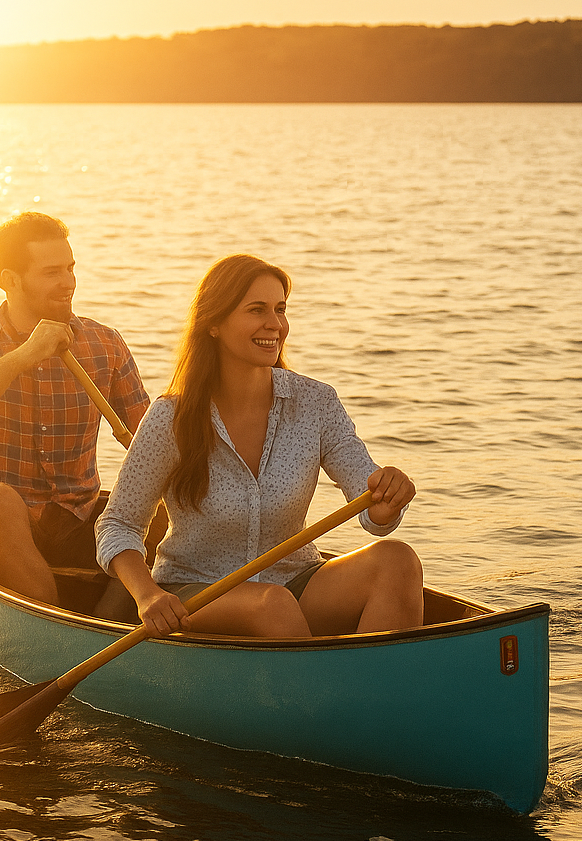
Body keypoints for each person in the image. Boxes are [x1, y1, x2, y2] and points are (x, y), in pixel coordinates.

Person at [95, 254, 422, 638]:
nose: (275, 324)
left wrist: (385, 500)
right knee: (272, 606)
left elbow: (369, 504)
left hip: (296, 582)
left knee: (397, 559)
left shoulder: (316, 403)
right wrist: (147, 596)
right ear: (213, 323)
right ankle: (323, 694)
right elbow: (117, 524)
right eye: (256, 310)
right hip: (196, 594)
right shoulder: (171, 417)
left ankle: (376, 692)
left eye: (280, 309)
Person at [0, 211, 151, 605]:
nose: (68, 282)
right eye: (52, 272)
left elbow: (149, 439)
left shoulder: (105, 343)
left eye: (70, 268)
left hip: (76, 520)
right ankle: (54, 625)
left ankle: (110, 618)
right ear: (9, 280)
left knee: (166, 500)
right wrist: (24, 355)